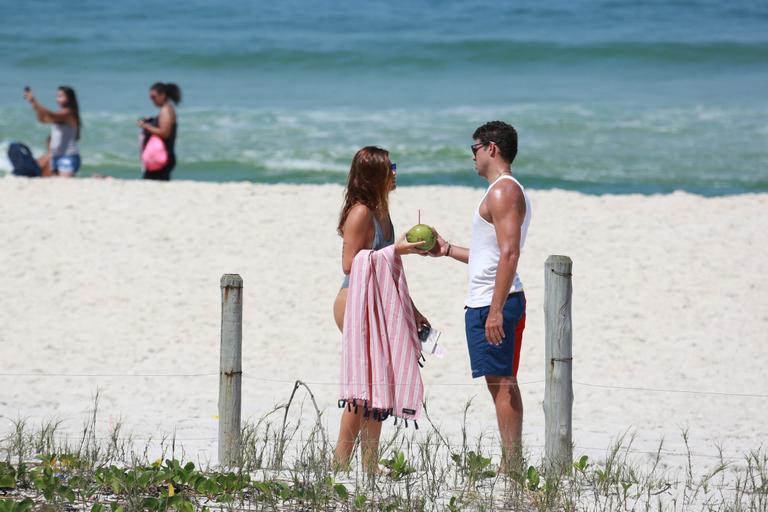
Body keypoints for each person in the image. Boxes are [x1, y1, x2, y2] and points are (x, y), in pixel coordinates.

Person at [431, 121, 531, 469]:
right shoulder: (499, 192)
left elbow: (510, 254)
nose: (471, 157)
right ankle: (511, 464)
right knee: (497, 383)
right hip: (486, 299)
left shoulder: (504, 191)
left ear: (491, 148)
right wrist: (447, 250)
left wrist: (495, 310)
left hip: (495, 301)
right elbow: (489, 256)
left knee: (503, 383)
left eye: (473, 149)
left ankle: (512, 467)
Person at [333, 146, 429, 472]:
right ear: (376, 174)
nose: (396, 173)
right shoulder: (361, 213)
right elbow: (350, 263)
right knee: (362, 387)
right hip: (356, 302)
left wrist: (412, 310)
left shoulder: (383, 213)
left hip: (380, 303)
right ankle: (340, 462)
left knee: (379, 385)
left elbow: (389, 270)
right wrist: (396, 250)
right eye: (391, 167)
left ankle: (369, 463)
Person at [23, 86, 82, 177]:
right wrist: (33, 104)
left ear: (69, 99)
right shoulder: (61, 114)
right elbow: (42, 119)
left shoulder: (69, 113)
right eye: (57, 96)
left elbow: (50, 115)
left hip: (68, 157)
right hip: (55, 156)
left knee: (64, 184)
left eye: (60, 96)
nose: (57, 99)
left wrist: (33, 101)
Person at [137, 82, 180, 181]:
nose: (152, 100)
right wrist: (150, 121)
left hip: (162, 157)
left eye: (154, 97)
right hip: (162, 157)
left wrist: (146, 127)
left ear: (163, 95)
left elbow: (165, 133)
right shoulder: (167, 110)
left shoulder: (166, 111)